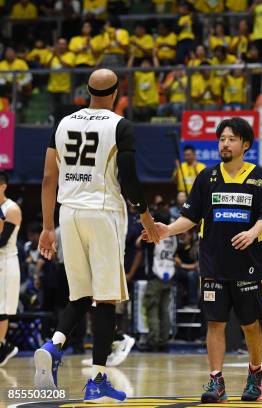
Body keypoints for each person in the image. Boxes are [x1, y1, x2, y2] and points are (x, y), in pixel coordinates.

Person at [36, 69, 159, 402]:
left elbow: (48, 178)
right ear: (117, 92)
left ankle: (53, 345)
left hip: (68, 213)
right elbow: (130, 179)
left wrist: (48, 227)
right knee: (105, 299)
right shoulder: (120, 125)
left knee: (80, 295)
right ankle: (97, 380)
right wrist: (146, 218)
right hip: (103, 214)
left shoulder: (63, 123)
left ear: (86, 91)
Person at [141, 117, 262, 403]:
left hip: (248, 265)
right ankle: (216, 381)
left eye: (231, 139)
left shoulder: (259, 177)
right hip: (213, 265)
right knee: (214, 323)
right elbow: (191, 217)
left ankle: (255, 373)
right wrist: (167, 230)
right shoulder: (207, 177)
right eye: (221, 139)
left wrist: (253, 231)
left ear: (245, 144)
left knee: (250, 325)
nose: (225, 143)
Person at [143, 209, 178, 352]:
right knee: (165, 310)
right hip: (169, 273)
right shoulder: (173, 234)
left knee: (152, 309)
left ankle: (153, 341)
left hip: (155, 274)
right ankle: (164, 341)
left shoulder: (155, 233)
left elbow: (144, 246)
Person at [0, 171, 21, 367]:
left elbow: (1, 241)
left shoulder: (11, 209)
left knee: (2, 308)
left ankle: (3, 347)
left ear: (3, 186)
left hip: (5, 264)